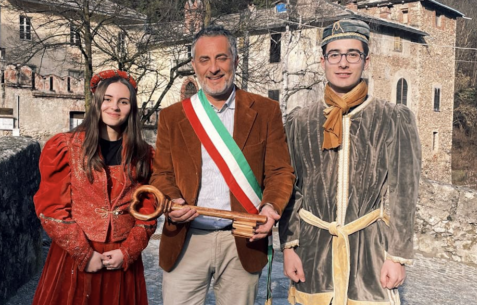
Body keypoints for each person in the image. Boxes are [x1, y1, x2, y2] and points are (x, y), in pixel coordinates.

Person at [279, 19, 422, 305]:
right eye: (335, 54)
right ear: (323, 61)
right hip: (312, 251)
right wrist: (289, 246)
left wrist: (397, 256)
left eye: (352, 54)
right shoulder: (300, 121)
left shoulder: (393, 119)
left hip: (369, 253)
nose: (343, 63)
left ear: (366, 61)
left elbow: (403, 192)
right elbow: (291, 189)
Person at [150, 25, 295, 305]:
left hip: (242, 239)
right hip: (186, 239)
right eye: (204, 60)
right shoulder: (172, 116)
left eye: (222, 58)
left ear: (235, 61)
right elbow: (162, 173)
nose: (213, 68)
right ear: (194, 65)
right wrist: (174, 199)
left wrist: (270, 208)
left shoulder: (266, 111)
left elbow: (279, 171)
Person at [31, 70, 156, 305]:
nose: (114, 107)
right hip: (76, 257)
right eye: (107, 99)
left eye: (123, 101)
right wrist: (84, 254)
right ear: (97, 101)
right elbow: (51, 209)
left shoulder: (143, 154)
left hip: (121, 259)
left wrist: (128, 252)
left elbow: (148, 211)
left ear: (132, 108)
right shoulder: (66, 147)